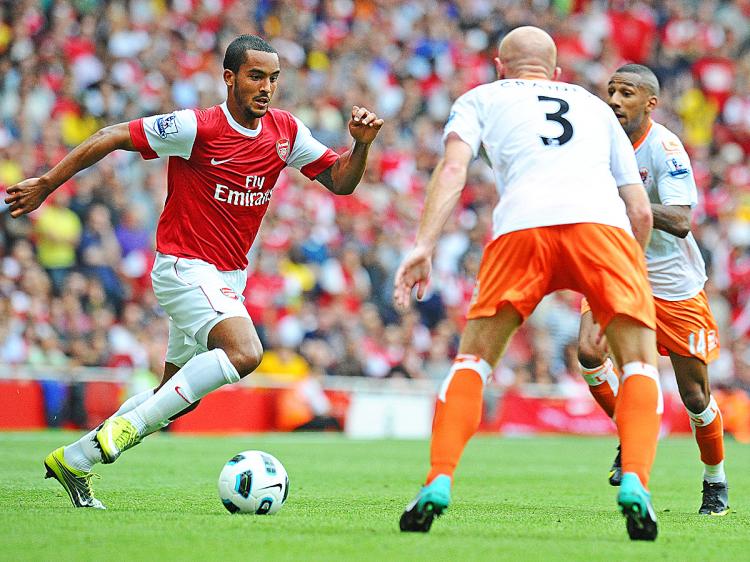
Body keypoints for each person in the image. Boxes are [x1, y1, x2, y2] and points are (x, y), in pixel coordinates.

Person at [5, 34, 383, 509]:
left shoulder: (285, 131)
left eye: (273, 79)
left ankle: (75, 460)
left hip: (228, 279)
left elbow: (341, 182)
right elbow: (109, 136)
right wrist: (46, 184)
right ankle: (123, 431)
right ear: (229, 78)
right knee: (244, 352)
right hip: (184, 267)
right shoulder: (195, 127)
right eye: (255, 76)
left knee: (175, 394)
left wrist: (361, 146)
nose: (266, 87)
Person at [394, 27, 661, 541]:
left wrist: (424, 244)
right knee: (639, 364)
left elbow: (452, 170)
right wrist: (626, 282)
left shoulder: (479, 98)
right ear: (556, 71)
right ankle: (636, 483)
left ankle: (439, 479)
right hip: (602, 230)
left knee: (473, 362)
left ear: (500, 65)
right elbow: (640, 209)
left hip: (522, 228)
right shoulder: (593, 104)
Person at [577, 64, 729, 516]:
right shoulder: (598, 143)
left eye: (626, 93)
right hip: (618, 265)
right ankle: (631, 436)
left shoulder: (665, 148)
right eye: (611, 91)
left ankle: (715, 480)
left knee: (695, 397)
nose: (615, 100)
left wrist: (626, 200)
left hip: (672, 283)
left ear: (650, 103)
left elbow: (682, 221)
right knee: (589, 352)